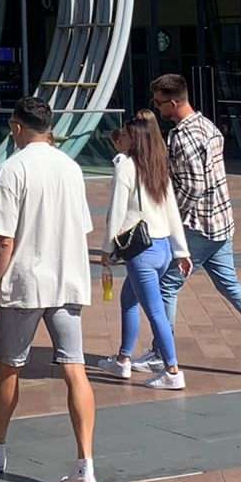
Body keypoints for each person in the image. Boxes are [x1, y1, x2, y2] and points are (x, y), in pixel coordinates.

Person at [0, 97, 98, 482]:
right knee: (75, 368)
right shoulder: (71, 168)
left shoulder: (11, 169)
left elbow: (4, 239)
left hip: (24, 282)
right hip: (67, 279)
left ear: (16, 127)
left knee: (10, 367)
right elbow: (83, 227)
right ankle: (85, 463)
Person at [149, 75, 241, 378]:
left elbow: (193, 187)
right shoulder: (208, 126)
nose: (157, 108)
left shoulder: (182, 136)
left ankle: (162, 353)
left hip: (198, 226)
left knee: (166, 286)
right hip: (221, 222)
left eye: (159, 103)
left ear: (173, 102)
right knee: (231, 285)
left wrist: (170, 220)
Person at [94, 113, 191, 390]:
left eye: (125, 135)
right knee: (129, 299)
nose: (120, 138)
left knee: (155, 311)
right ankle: (123, 359)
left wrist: (107, 248)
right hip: (162, 247)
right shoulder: (157, 166)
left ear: (134, 140)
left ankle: (172, 370)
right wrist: (181, 251)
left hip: (141, 251)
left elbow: (117, 210)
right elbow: (172, 211)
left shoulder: (125, 165)